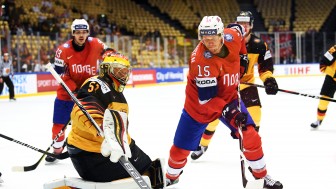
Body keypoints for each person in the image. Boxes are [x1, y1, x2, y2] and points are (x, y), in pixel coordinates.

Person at [165, 15, 282, 189]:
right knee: (180, 150)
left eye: (213, 36)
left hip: (230, 98)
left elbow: (239, 29)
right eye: (205, 37)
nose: (209, 41)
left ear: (222, 34)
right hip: (199, 108)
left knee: (251, 135)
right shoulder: (200, 62)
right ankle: (170, 176)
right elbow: (208, 99)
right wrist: (232, 112)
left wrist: (243, 56)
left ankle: (262, 177)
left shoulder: (232, 36)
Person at [67, 53, 164, 189]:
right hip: (94, 157)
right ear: (106, 69)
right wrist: (102, 128)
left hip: (85, 152)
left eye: (125, 71)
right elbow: (84, 109)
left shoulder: (98, 84)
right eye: (119, 70)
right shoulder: (104, 90)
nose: (123, 75)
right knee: (149, 169)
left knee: (149, 164)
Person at [191, 11, 279, 160]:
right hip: (225, 86)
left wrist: (269, 80)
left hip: (246, 85)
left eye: (246, 23)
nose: (243, 25)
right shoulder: (225, 41)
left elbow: (265, 67)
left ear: (251, 25)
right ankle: (203, 145)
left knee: (255, 115)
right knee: (212, 120)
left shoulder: (259, 45)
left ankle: (251, 147)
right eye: (240, 22)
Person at [46, 18, 115, 163]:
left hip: (89, 93)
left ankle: (96, 149)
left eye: (84, 32)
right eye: (78, 32)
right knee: (59, 125)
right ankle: (57, 149)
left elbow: (108, 52)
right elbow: (61, 74)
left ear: (88, 33)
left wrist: (113, 57)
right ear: (73, 33)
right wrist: (75, 89)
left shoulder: (95, 44)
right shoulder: (62, 50)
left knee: (93, 124)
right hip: (66, 94)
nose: (81, 35)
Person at [310, 44, 336, 128]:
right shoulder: (335, 49)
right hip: (331, 78)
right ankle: (319, 119)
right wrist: (330, 71)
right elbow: (324, 62)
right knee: (323, 102)